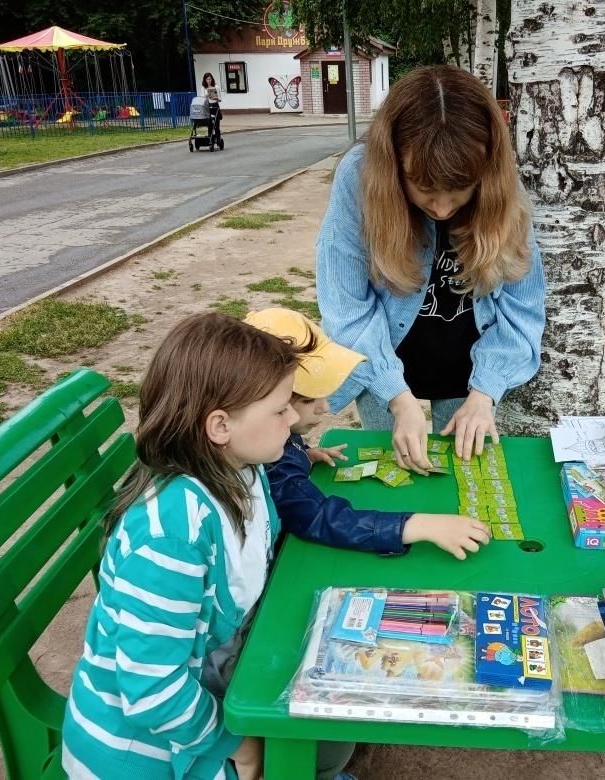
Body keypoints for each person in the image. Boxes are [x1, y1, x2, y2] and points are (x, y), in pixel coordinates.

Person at [61, 313, 357, 780]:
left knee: (336, 719)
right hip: (148, 756)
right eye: (280, 410)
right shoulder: (170, 539)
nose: (294, 418)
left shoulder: (244, 470)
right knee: (314, 738)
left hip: (210, 689)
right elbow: (153, 691)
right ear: (220, 426)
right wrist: (235, 743)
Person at [316, 64, 546, 475]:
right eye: (424, 189)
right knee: (394, 472)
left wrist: (484, 394)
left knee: (463, 474)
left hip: (471, 363)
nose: (441, 209)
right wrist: (397, 398)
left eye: (459, 192)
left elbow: (521, 311)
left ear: (484, 173)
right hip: (378, 353)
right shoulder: (358, 176)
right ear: (393, 165)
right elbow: (345, 308)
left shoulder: (501, 186)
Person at [246, 307, 492, 560]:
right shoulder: (273, 465)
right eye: (309, 400)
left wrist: (304, 454)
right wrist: (417, 526)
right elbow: (319, 518)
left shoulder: (271, 436)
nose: (327, 407)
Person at [202, 72, 222, 139]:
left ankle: (218, 139)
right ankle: (210, 139)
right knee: (210, 124)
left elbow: (220, 99)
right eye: (207, 79)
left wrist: (216, 98)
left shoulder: (216, 87)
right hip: (208, 106)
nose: (209, 81)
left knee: (217, 124)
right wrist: (206, 95)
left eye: (210, 79)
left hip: (215, 105)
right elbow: (202, 99)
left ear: (212, 79)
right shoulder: (203, 88)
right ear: (205, 80)